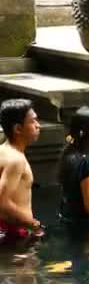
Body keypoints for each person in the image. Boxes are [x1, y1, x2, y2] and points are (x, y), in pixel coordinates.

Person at [0, 99, 44, 239]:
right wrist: (33, 224)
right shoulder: (16, 160)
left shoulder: (3, 150)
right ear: (18, 129)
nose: (38, 126)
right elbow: (1, 201)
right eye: (33, 121)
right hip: (14, 231)